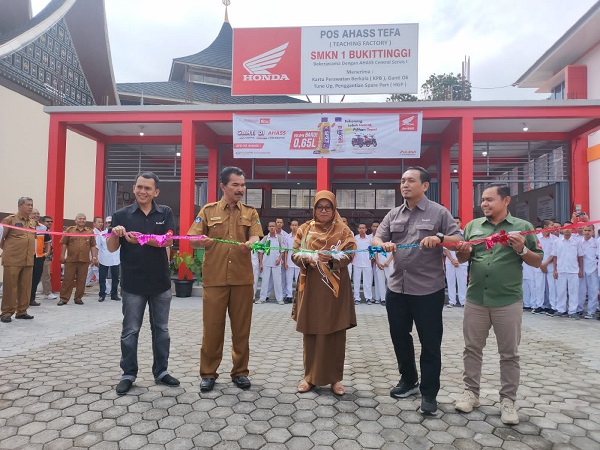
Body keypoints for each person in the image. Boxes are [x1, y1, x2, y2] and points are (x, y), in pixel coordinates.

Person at [371, 166, 461, 415]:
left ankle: (429, 393)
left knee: (430, 343)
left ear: (425, 185)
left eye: (411, 180)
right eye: (402, 181)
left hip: (427, 290)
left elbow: (459, 240)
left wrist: (440, 239)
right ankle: (408, 380)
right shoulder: (393, 214)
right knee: (400, 336)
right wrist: (383, 244)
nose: (405, 184)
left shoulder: (439, 213)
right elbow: (376, 239)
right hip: (397, 287)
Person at [454, 183, 542, 425]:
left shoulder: (523, 228)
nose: (484, 204)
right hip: (476, 299)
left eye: (490, 199)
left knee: (509, 354)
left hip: (507, 300)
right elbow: (463, 258)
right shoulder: (472, 227)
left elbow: (537, 262)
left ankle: (508, 401)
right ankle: (471, 393)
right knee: (472, 349)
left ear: (506, 201)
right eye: (482, 200)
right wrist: (462, 250)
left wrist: (522, 249)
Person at [188, 167, 263, 393]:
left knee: (242, 329)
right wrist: (201, 241)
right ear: (223, 186)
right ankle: (208, 373)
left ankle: (240, 372)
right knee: (212, 329)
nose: (241, 189)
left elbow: (256, 235)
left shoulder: (250, 212)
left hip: (242, 279)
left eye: (242, 185)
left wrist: (252, 242)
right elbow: (191, 238)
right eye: (235, 185)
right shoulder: (208, 211)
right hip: (215, 278)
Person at [108, 171, 179, 395]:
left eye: (148, 188)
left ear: (155, 192)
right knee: (130, 331)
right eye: (139, 186)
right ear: (135, 187)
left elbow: (167, 240)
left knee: (161, 330)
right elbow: (111, 248)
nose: (142, 191)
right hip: (132, 283)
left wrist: (141, 239)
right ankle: (128, 373)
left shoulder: (165, 212)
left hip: (160, 283)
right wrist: (116, 234)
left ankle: (161, 372)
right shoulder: (121, 214)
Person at [292, 190, 356, 395]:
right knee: (311, 331)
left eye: (328, 207)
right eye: (320, 207)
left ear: (334, 208)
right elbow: (294, 254)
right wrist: (309, 258)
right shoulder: (304, 229)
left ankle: (335, 379)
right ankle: (309, 377)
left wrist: (332, 258)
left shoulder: (343, 230)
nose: (324, 211)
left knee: (335, 333)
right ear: (314, 209)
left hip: (335, 289)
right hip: (310, 286)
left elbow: (351, 252)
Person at [1, 197, 36, 323]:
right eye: (28, 205)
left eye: (31, 205)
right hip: (13, 260)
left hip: (28, 259)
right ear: (20, 206)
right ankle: (6, 312)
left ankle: (22, 311)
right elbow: (1, 238)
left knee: (25, 287)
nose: (30, 207)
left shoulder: (32, 222)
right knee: (10, 287)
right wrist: (7, 251)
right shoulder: (10, 220)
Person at [58, 214, 97, 306]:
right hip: (71, 259)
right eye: (80, 219)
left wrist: (94, 257)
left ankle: (78, 298)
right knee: (67, 280)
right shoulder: (69, 230)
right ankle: (63, 299)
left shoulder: (90, 231)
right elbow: (64, 244)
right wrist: (62, 255)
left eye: (84, 219)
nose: (82, 220)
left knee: (82, 280)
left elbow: (93, 245)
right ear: (75, 221)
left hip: (84, 260)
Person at [551, 221, 583, 318]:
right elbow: (554, 257)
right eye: (565, 228)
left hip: (573, 270)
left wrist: (580, 269)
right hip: (561, 270)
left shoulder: (576, 241)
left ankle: (572, 311)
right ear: (562, 229)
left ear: (572, 229)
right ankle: (561, 310)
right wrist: (555, 269)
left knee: (573, 291)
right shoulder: (557, 242)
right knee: (561, 291)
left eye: (569, 228)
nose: (567, 229)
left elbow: (580, 256)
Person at [257, 222, 285, 305]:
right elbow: (261, 252)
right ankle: (262, 298)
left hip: (276, 263)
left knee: (277, 281)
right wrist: (261, 263)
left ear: (276, 227)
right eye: (270, 226)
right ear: (268, 228)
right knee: (265, 281)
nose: (272, 228)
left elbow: (282, 251)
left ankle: (279, 299)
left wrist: (279, 259)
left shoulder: (279, 238)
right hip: (266, 262)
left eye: (273, 226)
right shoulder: (265, 239)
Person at [444, 217, 468, 308]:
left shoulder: (464, 234)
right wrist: (452, 260)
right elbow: (445, 249)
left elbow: (466, 248)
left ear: (460, 223)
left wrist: (458, 260)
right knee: (450, 282)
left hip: (462, 262)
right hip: (450, 261)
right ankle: (452, 301)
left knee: (462, 282)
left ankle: (463, 301)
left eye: (457, 222)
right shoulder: (448, 235)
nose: (456, 224)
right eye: (454, 222)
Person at [29, 209, 51, 307]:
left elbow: (48, 241)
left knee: (36, 278)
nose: (36, 215)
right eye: (34, 213)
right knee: (24, 279)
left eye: (38, 213)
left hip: (38, 257)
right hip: (26, 256)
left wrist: (47, 252)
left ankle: (31, 299)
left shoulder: (43, 227)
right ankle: (21, 299)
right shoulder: (24, 226)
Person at [536, 220, 558, 315]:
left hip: (550, 264)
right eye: (552, 225)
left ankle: (553, 306)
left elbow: (554, 253)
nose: (554, 227)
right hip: (538, 264)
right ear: (545, 227)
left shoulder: (554, 239)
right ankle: (539, 305)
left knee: (552, 286)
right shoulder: (536, 238)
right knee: (539, 286)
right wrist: (541, 264)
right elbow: (534, 251)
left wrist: (546, 263)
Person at [98, 216, 121, 302]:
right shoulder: (101, 234)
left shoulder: (119, 234)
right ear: (105, 224)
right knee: (102, 278)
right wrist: (95, 257)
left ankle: (114, 294)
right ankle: (102, 294)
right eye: (107, 223)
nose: (109, 224)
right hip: (104, 258)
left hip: (115, 258)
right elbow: (97, 246)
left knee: (115, 278)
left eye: (111, 223)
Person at [578, 225, 598, 319]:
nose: (587, 232)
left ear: (593, 232)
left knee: (593, 291)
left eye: (589, 230)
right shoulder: (578, 242)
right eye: (585, 230)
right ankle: (579, 309)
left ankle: (591, 311)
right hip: (580, 269)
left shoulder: (596, 243)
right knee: (580, 291)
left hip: (593, 269)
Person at [352, 223, 373, 305]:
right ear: (358, 229)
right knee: (356, 281)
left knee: (367, 282)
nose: (361, 229)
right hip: (357, 262)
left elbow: (372, 250)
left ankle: (368, 298)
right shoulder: (355, 238)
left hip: (367, 262)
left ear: (366, 229)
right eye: (360, 228)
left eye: (363, 228)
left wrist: (372, 258)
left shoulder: (370, 239)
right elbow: (353, 250)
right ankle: (357, 298)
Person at [39, 216, 58, 300]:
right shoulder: (40, 230)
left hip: (46, 256)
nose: (50, 223)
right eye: (47, 221)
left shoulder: (48, 231)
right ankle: (47, 292)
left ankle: (46, 292)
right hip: (41, 255)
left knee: (45, 274)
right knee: (45, 274)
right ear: (42, 222)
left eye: (51, 221)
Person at [283, 220, 300, 304]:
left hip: (298, 262)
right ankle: (289, 296)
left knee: (298, 280)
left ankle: (298, 296)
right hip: (289, 262)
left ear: (298, 226)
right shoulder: (287, 237)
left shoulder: (301, 238)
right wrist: (285, 261)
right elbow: (285, 251)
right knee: (288, 280)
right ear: (290, 226)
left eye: (296, 225)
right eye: (292, 225)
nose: (294, 227)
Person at [85, 217, 103, 286]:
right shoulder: (93, 233)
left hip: (98, 255)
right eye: (99, 222)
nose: (101, 224)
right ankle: (107, 289)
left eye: (101, 222)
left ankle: (81, 287)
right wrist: (95, 257)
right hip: (94, 255)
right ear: (94, 224)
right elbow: (95, 246)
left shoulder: (101, 232)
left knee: (90, 272)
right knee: (98, 272)